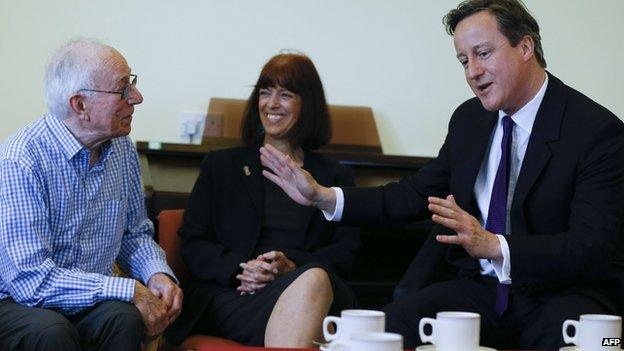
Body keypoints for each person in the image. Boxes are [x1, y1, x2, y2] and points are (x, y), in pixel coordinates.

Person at [259, 1, 624, 349]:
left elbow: (590, 248)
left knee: (595, 344)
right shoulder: (469, 120)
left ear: (525, 47)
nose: (472, 72)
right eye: (463, 60)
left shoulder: (597, 131)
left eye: (483, 54)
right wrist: (322, 195)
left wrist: (494, 245)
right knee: (379, 332)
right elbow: (413, 195)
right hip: (482, 290)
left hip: (564, 293)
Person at [164, 53, 360, 348]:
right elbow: (193, 241)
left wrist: (292, 267)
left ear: (308, 104)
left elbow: (348, 252)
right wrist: (242, 269)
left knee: (314, 281)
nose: (271, 104)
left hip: (310, 290)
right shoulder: (222, 166)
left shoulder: (334, 177)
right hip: (235, 294)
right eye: (265, 92)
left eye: (286, 94)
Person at [0, 39, 182, 351]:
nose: (137, 98)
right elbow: (30, 281)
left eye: (132, 83)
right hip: (16, 301)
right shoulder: (20, 160)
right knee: (51, 331)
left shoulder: (122, 149)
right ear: (80, 105)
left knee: (124, 318)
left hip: (87, 295)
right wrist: (125, 288)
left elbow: (134, 234)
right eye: (123, 89)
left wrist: (156, 274)